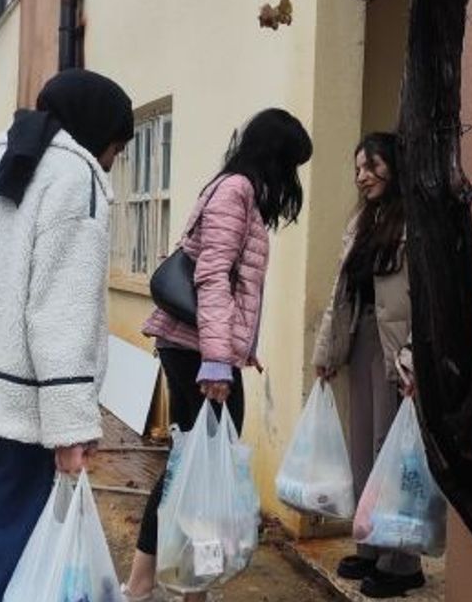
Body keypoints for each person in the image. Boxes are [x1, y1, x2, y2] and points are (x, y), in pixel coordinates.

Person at [0, 69, 134, 602]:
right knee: (7, 570)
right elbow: (63, 308)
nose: (114, 159)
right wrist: (71, 428)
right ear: (98, 131)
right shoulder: (74, 178)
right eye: (117, 146)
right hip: (15, 413)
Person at [121, 108, 314, 601]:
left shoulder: (238, 191)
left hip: (200, 347)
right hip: (198, 351)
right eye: (291, 164)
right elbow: (211, 276)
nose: (291, 179)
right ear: (275, 157)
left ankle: (175, 586)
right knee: (198, 466)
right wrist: (216, 359)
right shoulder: (236, 191)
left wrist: (233, 350)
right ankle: (154, 586)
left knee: (195, 466)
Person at [313, 132, 427, 599]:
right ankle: (370, 546)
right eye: (358, 168)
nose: (362, 176)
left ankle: (402, 562)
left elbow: (428, 299)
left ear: (394, 166)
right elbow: (340, 294)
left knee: (391, 453)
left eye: (372, 166)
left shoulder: (416, 222)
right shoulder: (362, 220)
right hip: (360, 341)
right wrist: (327, 353)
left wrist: (414, 359)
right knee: (362, 448)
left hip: (395, 350)